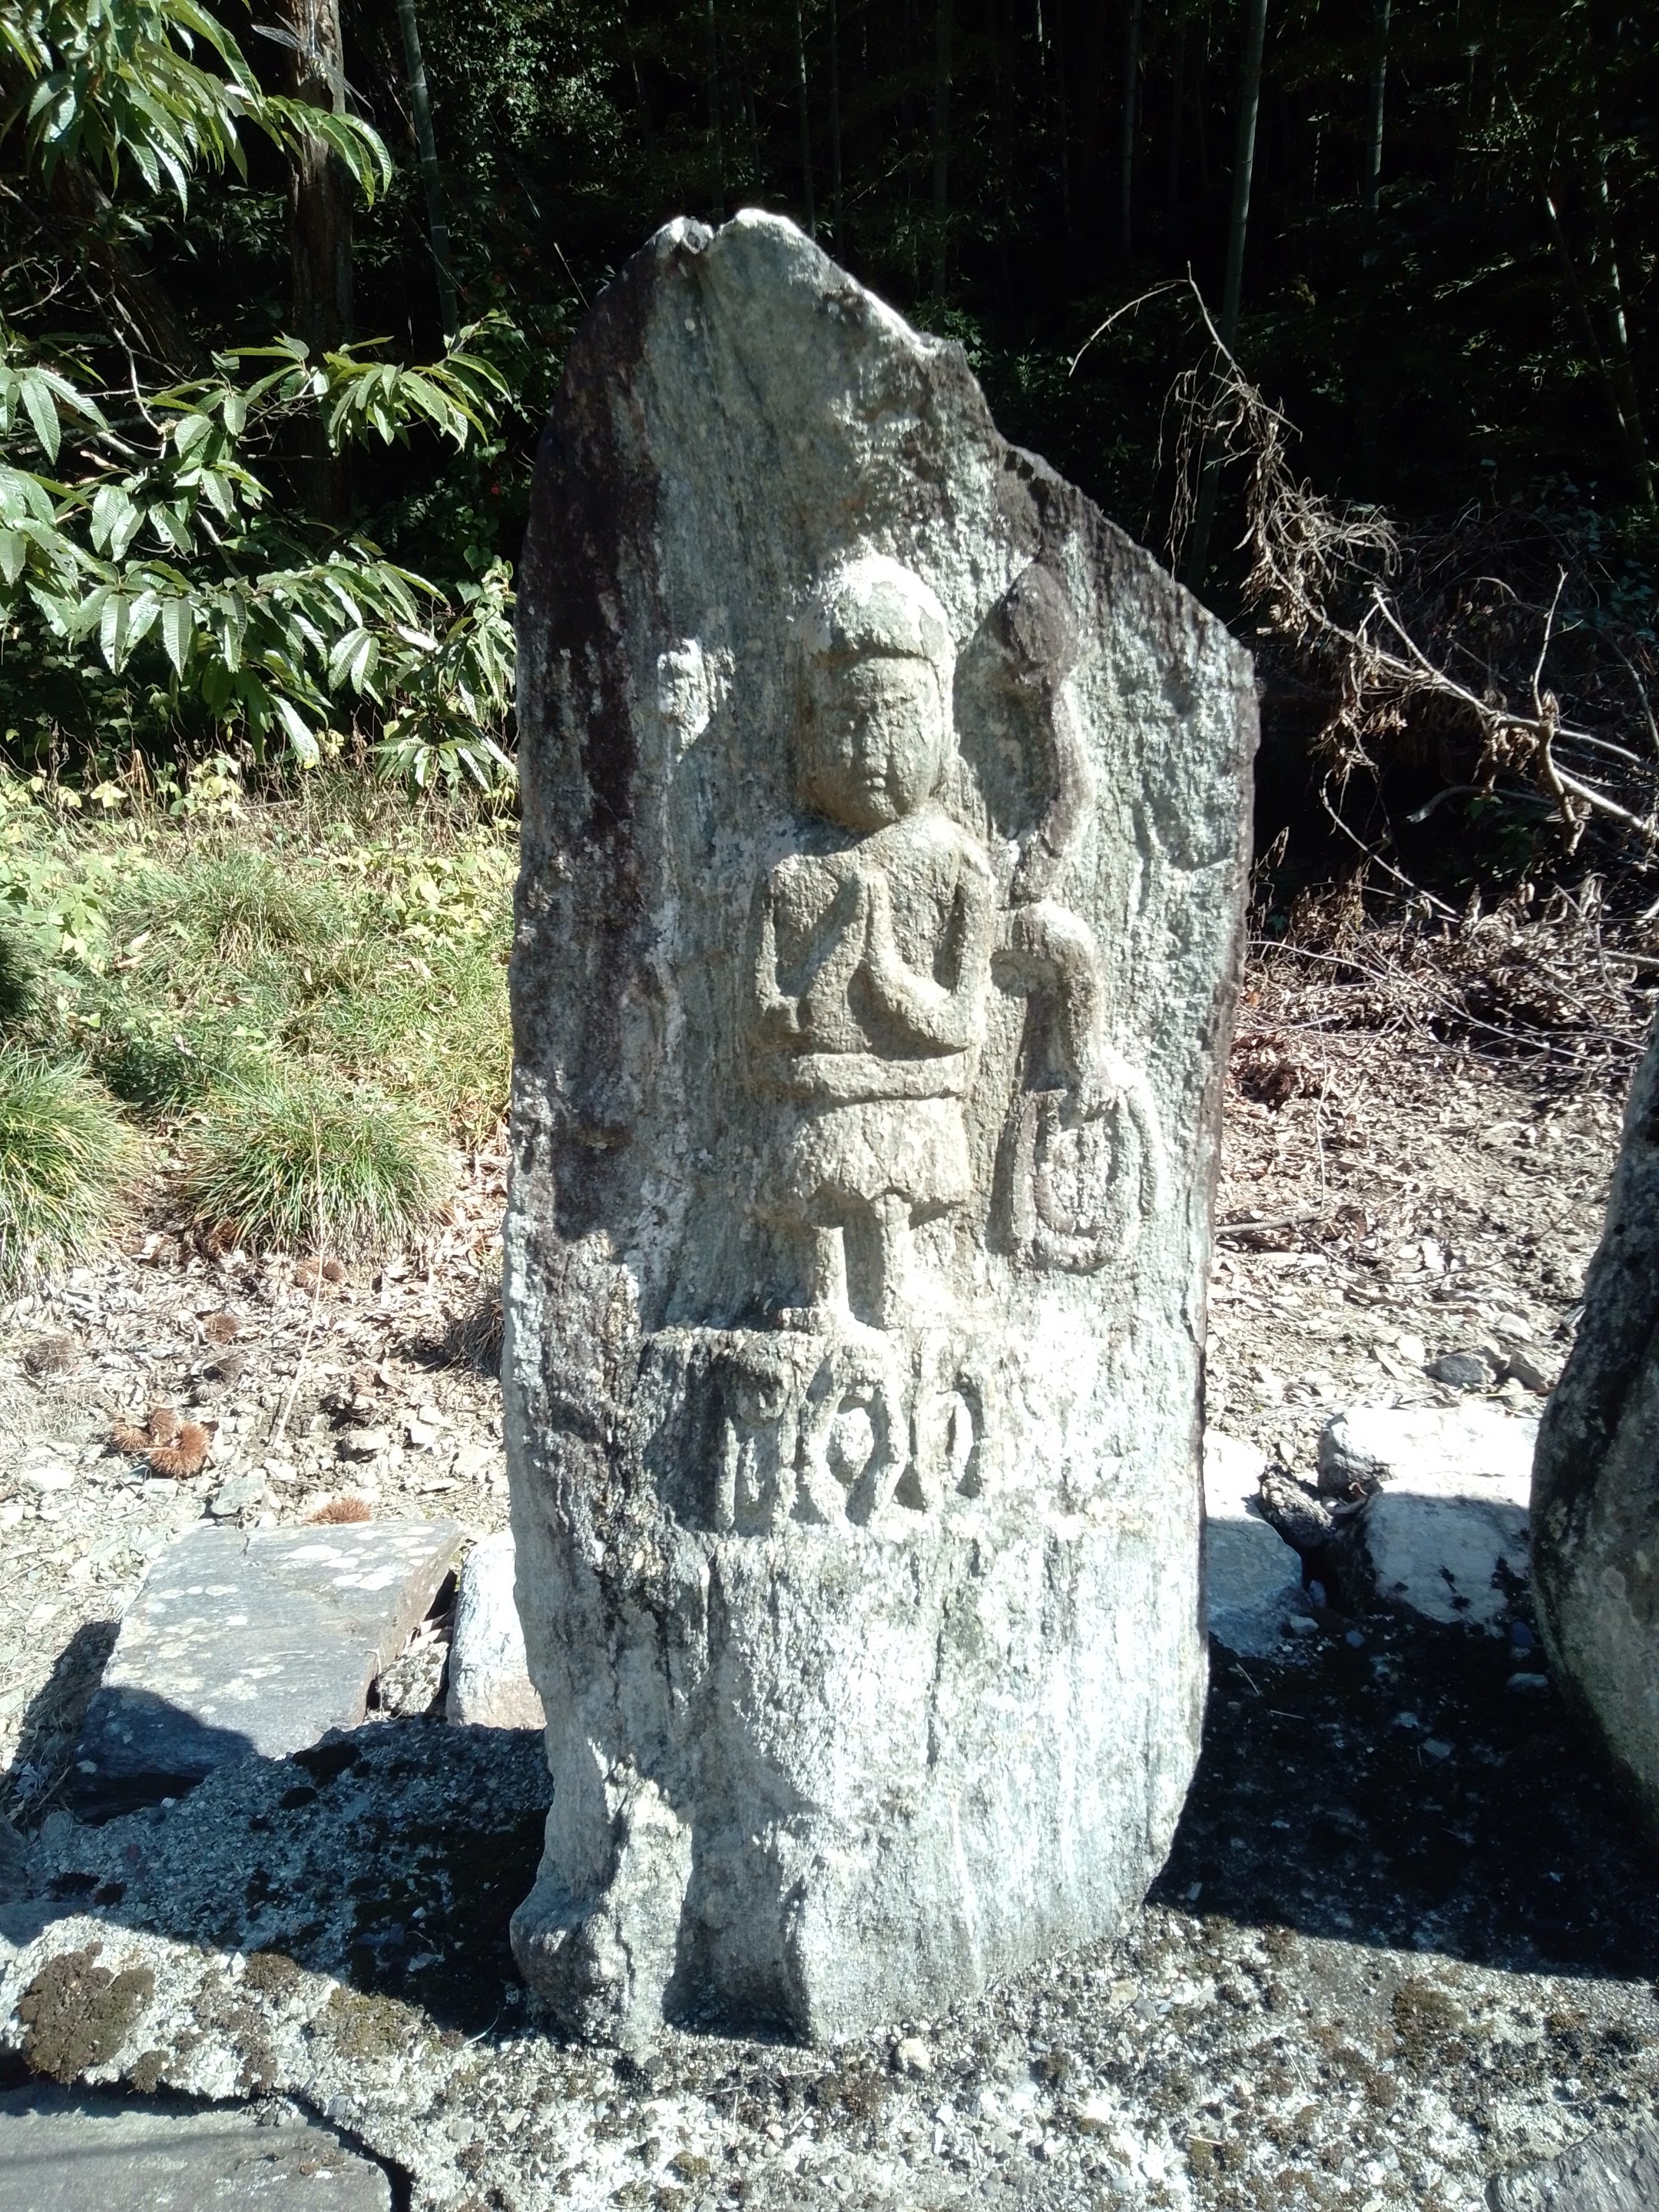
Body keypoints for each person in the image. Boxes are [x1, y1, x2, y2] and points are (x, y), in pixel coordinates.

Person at [748, 555, 994, 1330]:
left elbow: (962, 1018)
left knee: (893, 1187)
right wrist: (806, 999)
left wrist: (885, 973)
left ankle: (896, 1287)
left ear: (944, 729)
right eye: (848, 723)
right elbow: (761, 1007)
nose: (871, 750)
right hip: (818, 1085)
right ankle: (819, 1290)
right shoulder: (791, 871)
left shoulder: (957, 864)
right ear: (808, 732)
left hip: (914, 1087)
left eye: (896, 720)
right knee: (821, 1186)